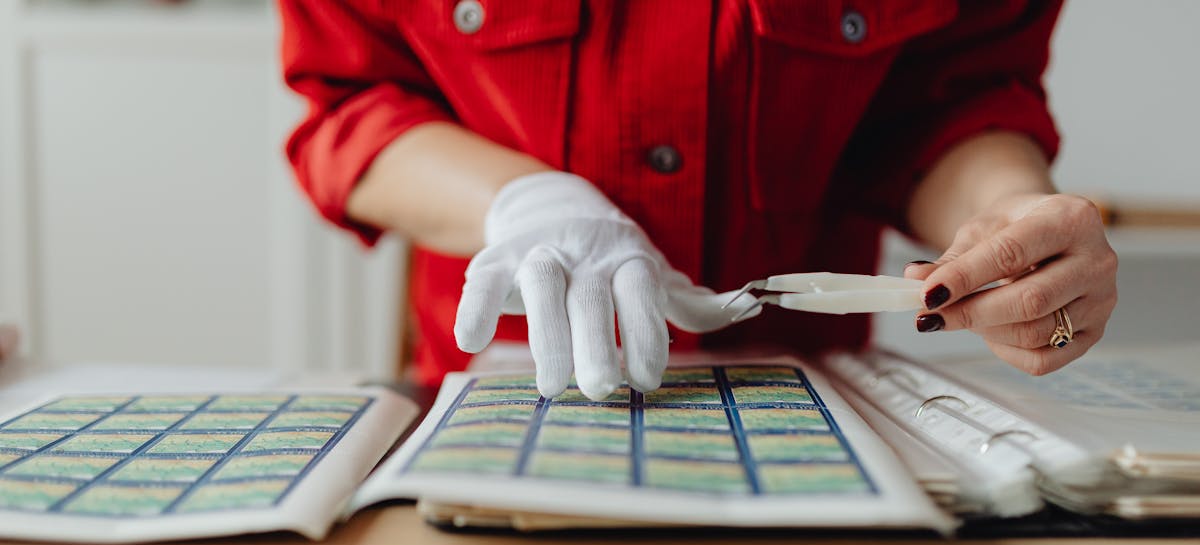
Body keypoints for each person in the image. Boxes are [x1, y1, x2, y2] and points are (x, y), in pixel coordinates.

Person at [280, 0, 1117, 401]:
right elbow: (351, 102)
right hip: (491, 412)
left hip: (817, 425)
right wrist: (523, 201)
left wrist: (1011, 218)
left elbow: (951, 96)